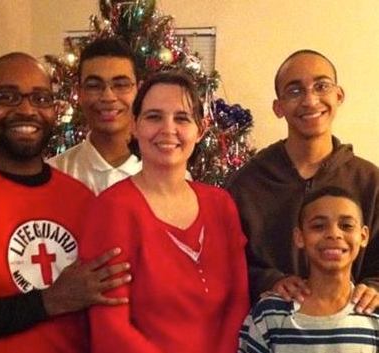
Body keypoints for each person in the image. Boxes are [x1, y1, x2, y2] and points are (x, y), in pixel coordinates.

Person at [0, 52, 130, 351]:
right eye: (7, 96)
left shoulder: (82, 199)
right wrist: (47, 301)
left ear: (55, 110)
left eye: (41, 98)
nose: (26, 109)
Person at [80, 71, 250, 353]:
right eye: (154, 117)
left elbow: (238, 301)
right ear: (134, 125)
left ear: (201, 129)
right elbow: (109, 328)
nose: (168, 129)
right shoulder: (112, 209)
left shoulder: (221, 205)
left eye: (181, 118)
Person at [226, 49, 379, 312]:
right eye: (295, 91)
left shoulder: (369, 180)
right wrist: (270, 281)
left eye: (321, 86)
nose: (310, 100)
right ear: (278, 107)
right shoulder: (246, 184)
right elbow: (225, 264)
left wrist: (375, 287)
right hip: (272, 332)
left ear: (338, 95)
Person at [239, 186, 379, 352]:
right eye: (318, 226)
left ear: (363, 236)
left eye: (346, 226)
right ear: (299, 237)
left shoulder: (373, 312)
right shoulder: (269, 313)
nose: (334, 234)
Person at [48, 38, 141, 195]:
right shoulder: (55, 174)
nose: (108, 97)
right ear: (79, 92)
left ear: (138, 90)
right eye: (94, 86)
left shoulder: (164, 175)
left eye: (120, 85)